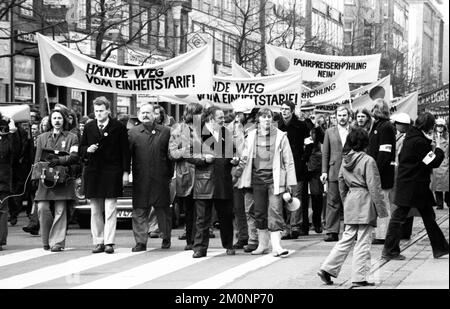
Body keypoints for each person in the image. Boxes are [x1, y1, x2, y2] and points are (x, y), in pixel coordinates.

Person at [318, 128, 389, 287]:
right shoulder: (368, 160)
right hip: (365, 200)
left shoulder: (345, 160)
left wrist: (347, 202)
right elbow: (374, 186)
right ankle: (359, 276)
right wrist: (381, 210)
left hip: (351, 199)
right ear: (366, 143)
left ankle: (327, 268)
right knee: (363, 240)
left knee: (346, 239)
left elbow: (341, 184)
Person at [382, 113, 449, 260]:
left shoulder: (412, 137)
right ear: (428, 126)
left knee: (428, 216)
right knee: (399, 217)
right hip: (413, 185)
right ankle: (390, 250)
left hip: (413, 184)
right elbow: (432, 162)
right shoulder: (418, 141)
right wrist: (438, 149)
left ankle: (440, 247)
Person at [236, 108, 297, 257]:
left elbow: (288, 161)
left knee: (275, 210)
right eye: (263, 117)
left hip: (275, 180)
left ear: (272, 119)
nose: (267, 119)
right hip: (257, 180)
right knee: (259, 212)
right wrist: (237, 171)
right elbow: (245, 156)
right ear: (258, 119)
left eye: (269, 116)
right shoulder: (251, 136)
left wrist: (291, 182)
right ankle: (263, 244)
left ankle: (277, 246)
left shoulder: (281, 136)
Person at [79, 97, 131, 254]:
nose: (98, 114)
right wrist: (87, 149)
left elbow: (125, 152)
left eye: (101, 111)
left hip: (112, 171)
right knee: (95, 209)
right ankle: (98, 241)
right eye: (96, 111)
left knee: (110, 208)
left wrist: (125, 172)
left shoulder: (118, 127)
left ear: (108, 110)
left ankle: (109, 242)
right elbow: (81, 148)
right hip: (93, 172)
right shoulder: (89, 127)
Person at [190, 106, 235, 258]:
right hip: (205, 181)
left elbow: (231, 153)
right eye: (220, 118)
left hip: (223, 180)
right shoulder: (198, 133)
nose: (224, 120)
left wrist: (234, 160)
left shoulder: (225, 133)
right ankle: (200, 248)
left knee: (226, 216)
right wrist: (203, 159)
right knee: (202, 218)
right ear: (210, 119)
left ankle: (229, 245)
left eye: (224, 118)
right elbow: (189, 155)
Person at [128, 104, 173, 252]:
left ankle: (166, 237)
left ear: (155, 114)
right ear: (139, 114)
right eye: (143, 113)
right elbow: (127, 156)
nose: (145, 115)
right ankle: (140, 242)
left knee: (163, 210)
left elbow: (170, 155)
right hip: (141, 178)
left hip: (161, 177)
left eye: (148, 112)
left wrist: (169, 174)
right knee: (139, 210)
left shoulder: (166, 131)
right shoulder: (133, 133)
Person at [34, 110, 80, 252]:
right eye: (54, 118)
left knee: (60, 210)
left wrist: (59, 160)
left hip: (64, 178)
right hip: (44, 178)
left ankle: (57, 243)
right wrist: (34, 178)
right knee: (42, 208)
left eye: (59, 118)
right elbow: (37, 160)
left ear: (64, 120)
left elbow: (74, 156)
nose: (57, 121)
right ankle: (46, 241)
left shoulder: (73, 137)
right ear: (50, 121)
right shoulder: (41, 137)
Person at [169, 103, 203, 250]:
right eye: (200, 113)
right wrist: (188, 150)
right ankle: (190, 240)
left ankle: (200, 240)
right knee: (189, 211)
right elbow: (172, 153)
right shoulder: (178, 130)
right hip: (186, 175)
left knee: (201, 211)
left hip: (203, 174)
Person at [278, 100, 310, 238]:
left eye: (286, 109)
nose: (284, 111)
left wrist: (303, 160)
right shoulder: (277, 126)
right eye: (282, 109)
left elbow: (309, 144)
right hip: (281, 166)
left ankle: (295, 226)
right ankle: (285, 227)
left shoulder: (301, 126)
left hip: (297, 166)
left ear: (292, 110)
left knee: (295, 196)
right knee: (283, 196)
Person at [320, 106, 352, 242]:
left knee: (350, 201)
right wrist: (324, 171)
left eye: (344, 115)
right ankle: (332, 231)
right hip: (334, 169)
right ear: (336, 116)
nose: (342, 118)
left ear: (349, 116)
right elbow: (325, 153)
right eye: (339, 115)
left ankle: (350, 230)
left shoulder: (355, 131)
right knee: (333, 201)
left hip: (351, 170)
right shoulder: (329, 132)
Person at [367, 99, 396, 245]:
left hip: (382, 173)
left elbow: (384, 152)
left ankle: (383, 235)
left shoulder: (386, 127)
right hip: (377, 171)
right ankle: (379, 233)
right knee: (379, 203)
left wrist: (375, 170)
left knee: (383, 203)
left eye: (374, 108)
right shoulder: (377, 125)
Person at [227, 109, 249, 250]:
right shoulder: (231, 129)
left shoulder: (253, 130)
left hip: (249, 173)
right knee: (238, 208)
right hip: (236, 174)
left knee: (251, 209)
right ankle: (243, 236)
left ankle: (252, 236)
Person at [0, 114, 21, 251]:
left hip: (3, 180)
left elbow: (15, 152)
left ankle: (0, 240)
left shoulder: (7, 138)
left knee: (2, 210)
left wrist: (12, 131)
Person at [304, 126, 325, 234]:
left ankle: (317, 223)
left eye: (314, 134)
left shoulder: (321, 145)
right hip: (309, 173)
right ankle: (312, 223)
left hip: (315, 174)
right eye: (311, 133)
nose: (312, 136)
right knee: (312, 198)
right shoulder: (308, 143)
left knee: (317, 198)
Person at [431, 118, 449, 209]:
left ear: (444, 127)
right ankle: (439, 204)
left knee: (447, 184)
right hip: (435, 163)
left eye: (441, 126)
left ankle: (448, 200)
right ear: (435, 127)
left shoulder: (448, 137)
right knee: (437, 185)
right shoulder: (431, 137)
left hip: (446, 162)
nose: (440, 128)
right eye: (438, 126)